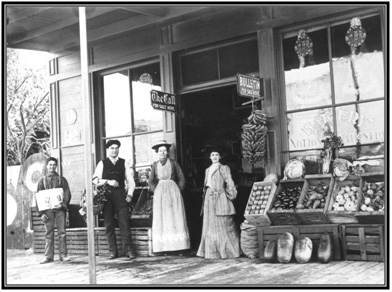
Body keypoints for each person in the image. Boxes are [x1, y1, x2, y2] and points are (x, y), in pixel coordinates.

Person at [93, 139, 136, 259]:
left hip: (121, 195)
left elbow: (130, 181)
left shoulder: (123, 163)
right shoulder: (102, 163)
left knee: (124, 223)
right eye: (112, 148)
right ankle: (113, 251)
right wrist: (108, 181)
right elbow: (94, 180)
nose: (114, 150)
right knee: (109, 224)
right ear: (108, 150)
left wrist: (130, 194)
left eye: (116, 148)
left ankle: (129, 251)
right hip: (106, 197)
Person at [197, 146, 241, 259]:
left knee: (223, 224)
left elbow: (229, 182)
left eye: (217, 155)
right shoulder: (208, 169)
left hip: (220, 197)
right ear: (209, 157)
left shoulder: (224, 168)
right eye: (212, 155)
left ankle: (228, 252)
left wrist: (231, 195)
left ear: (220, 156)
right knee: (210, 225)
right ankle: (212, 253)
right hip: (208, 198)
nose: (215, 157)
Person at [148, 140, 190, 254]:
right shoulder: (155, 165)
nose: (162, 153)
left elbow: (182, 179)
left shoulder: (173, 163)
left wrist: (177, 191)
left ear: (167, 152)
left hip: (173, 194)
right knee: (162, 219)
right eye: (160, 151)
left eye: (164, 150)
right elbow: (150, 181)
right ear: (157, 152)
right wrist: (155, 190)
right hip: (160, 195)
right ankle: (163, 248)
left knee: (175, 218)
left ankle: (179, 247)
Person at [36, 157, 72, 264]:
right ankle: (48, 256)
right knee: (48, 233)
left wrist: (62, 205)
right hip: (47, 211)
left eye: (54, 165)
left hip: (60, 209)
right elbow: (38, 198)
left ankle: (63, 255)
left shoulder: (62, 180)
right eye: (50, 165)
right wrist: (41, 213)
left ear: (56, 166)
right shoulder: (42, 182)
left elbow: (67, 194)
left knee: (62, 233)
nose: (52, 167)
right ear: (47, 166)